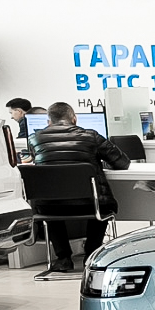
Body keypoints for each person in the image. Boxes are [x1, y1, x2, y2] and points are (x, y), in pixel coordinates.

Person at [27, 102, 129, 278]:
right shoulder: (91, 136)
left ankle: (63, 258)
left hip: (48, 207)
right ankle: (91, 254)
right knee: (102, 207)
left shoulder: (34, 139)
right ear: (74, 119)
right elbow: (122, 163)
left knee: (50, 201)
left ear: (49, 121)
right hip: (90, 204)